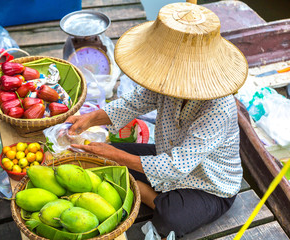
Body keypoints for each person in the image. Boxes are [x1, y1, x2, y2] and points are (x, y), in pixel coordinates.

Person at [66, 2, 248, 238]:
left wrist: (118, 158)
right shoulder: (168, 80)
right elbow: (134, 102)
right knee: (100, 154)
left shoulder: (218, 108)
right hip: (168, 152)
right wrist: (90, 119)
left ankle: (144, 190)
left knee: (170, 218)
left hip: (209, 183)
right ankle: (138, 183)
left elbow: (176, 165)